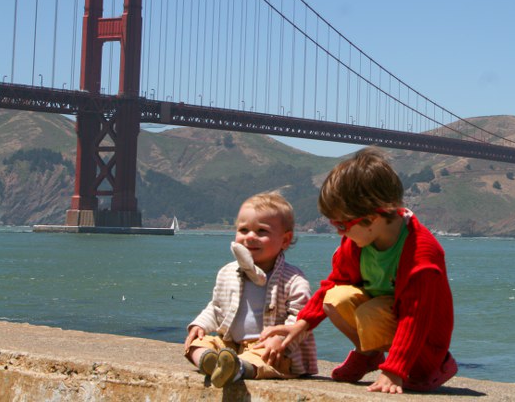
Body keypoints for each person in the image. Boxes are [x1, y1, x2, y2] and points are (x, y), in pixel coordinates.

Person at [259, 148, 457, 394]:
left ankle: (417, 366)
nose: (339, 232)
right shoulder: (357, 242)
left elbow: (414, 319)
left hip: (424, 343)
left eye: (342, 224)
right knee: (336, 298)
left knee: (371, 313)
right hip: (387, 320)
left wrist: (395, 370)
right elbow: (333, 284)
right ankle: (369, 355)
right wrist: (301, 325)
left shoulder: (422, 253)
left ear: (373, 218)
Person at [183, 191, 317, 388]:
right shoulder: (227, 272)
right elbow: (216, 307)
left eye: (262, 231)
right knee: (196, 345)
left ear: (285, 240)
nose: (250, 237)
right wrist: (200, 325)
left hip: (270, 349)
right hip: (231, 346)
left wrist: (280, 340)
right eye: (243, 230)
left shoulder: (293, 279)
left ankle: (237, 368)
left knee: (264, 359)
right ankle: (210, 361)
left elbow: (301, 318)